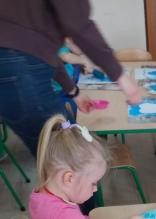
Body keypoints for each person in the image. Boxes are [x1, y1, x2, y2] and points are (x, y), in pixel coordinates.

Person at [0, 0, 142, 156]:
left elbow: (44, 53)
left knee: (72, 153)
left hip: (15, 65)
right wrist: (123, 79)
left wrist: (74, 92)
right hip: (17, 68)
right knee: (77, 155)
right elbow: (78, 24)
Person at [29, 114, 152, 219]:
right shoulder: (62, 215)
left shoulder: (42, 195)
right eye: (93, 183)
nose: (95, 189)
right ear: (69, 178)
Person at [53, 38, 95, 116]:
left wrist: (85, 67)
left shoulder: (73, 53)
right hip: (59, 95)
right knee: (66, 116)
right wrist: (83, 60)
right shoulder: (61, 49)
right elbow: (66, 58)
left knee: (74, 113)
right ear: (68, 39)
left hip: (70, 92)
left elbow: (71, 65)